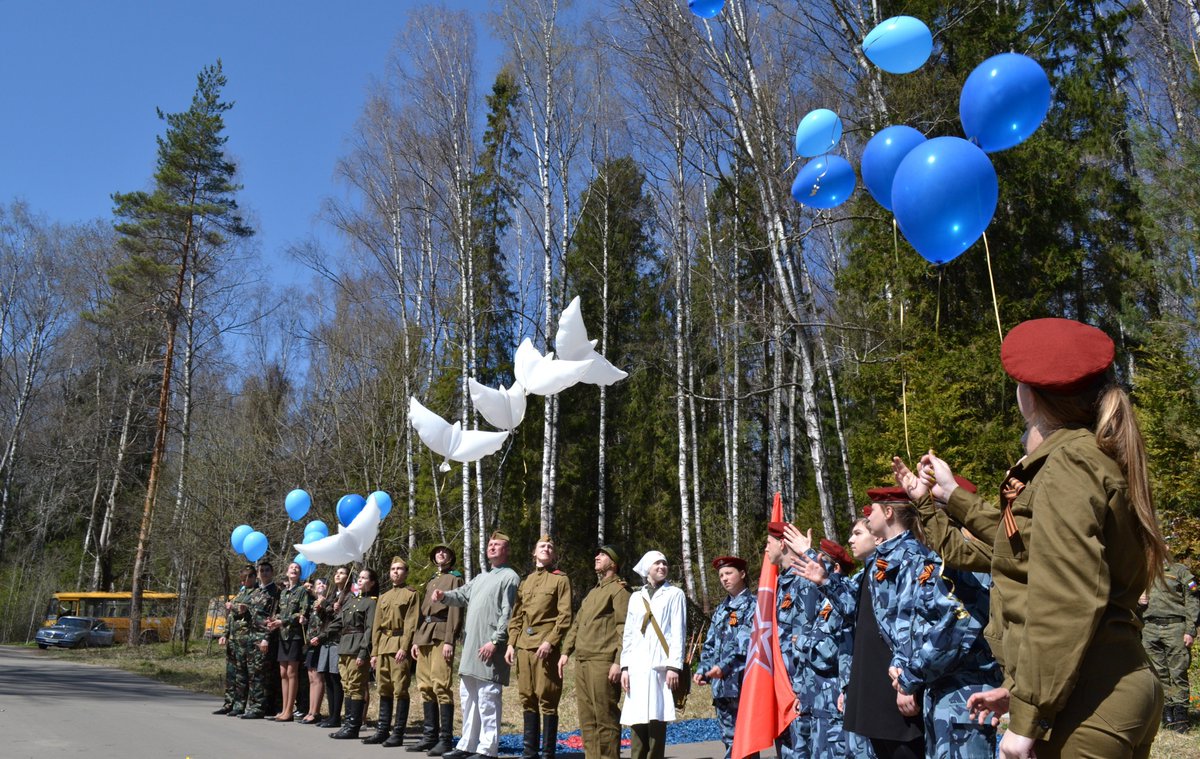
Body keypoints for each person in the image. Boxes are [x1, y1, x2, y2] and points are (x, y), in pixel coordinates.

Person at [922, 317, 1169, 759]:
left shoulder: (1067, 464)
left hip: (1090, 701)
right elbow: (1025, 548)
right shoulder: (1086, 455)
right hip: (1102, 688)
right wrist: (952, 497)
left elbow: (1065, 596)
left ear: (1029, 396)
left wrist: (1029, 715)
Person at [861, 486, 999, 759]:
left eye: (928, 510)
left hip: (967, 694)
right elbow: (912, 624)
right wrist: (903, 667)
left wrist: (911, 673)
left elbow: (958, 626)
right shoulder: (933, 558)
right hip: (941, 694)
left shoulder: (958, 559)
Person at [433, 532, 520, 759]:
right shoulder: (482, 577)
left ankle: (487, 749)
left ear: (506, 550)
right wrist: (444, 595)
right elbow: (461, 595)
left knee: (488, 699)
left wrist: (495, 641)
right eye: (490, 544)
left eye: (497, 545)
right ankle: (467, 745)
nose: (492, 547)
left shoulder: (510, 577)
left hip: (490, 647)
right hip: (471, 648)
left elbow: (508, 613)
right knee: (469, 698)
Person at [505, 535, 574, 759]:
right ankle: (529, 751)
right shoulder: (525, 582)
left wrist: (550, 641)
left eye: (550, 547)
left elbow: (564, 616)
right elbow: (516, 617)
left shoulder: (560, 580)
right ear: (534, 553)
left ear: (553, 555)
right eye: (542, 546)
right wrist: (511, 644)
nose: (546, 548)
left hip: (545, 647)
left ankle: (547, 753)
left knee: (547, 698)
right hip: (524, 647)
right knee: (527, 697)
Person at [559, 545, 630, 759]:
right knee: (587, 720)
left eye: (603, 555)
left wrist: (619, 661)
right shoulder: (593, 592)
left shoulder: (620, 590)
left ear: (614, 563)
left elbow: (625, 628)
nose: (597, 556)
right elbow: (577, 624)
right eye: (597, 553)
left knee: (605, 719)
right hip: (582, 662)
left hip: (603, 662)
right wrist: (565, 652)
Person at [619, 550, 687, 759]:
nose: (662, 567)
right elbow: (629, 634)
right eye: (657, 564)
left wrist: (673, 666)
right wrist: (625, 667)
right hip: (637, 666)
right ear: (647, 568)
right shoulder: (636, 597)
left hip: (660, 666)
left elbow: (678, 632)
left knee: (657, 717)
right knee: (638, 717)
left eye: (664, 564)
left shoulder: (675, 594)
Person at [766, 522, 822, 758]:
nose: (765, 550)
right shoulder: (777, 584)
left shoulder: (805, 578)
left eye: (768, 544)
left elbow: (811, 633)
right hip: (782, 683)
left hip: (801, 687)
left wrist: (798, 687)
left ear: (782, 543)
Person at [694, 555, 756, 759]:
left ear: (743, 574)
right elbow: (710, 644)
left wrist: (723, 667)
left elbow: (745, 645)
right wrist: (703, 669)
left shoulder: (753, 605)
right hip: (722, 689)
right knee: (729, 741)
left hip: (742, 685)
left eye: (729, 573)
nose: (724, 578)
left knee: (746, 743)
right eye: (721, 575)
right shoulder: (721, 609)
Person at [409, 544, 463, 755]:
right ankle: (430, 736)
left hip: (442, 632)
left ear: (450, 557)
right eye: (437, 552)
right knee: (425, 685)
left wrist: (450, 639)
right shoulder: (431, 580)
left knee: (441, 684)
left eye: (445, 552)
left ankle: (445, 738)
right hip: (425, 634)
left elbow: (455, 611)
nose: (441, 554)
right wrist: (415, 640)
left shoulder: (454, 579)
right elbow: (423, 614)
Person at [366, 556, 421, 746]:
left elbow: (411, 623)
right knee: (384, 688)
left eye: (399, 569)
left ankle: (397, 732)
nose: (395, 572)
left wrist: (404, 647)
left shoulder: (411, 594)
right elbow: (376, 626)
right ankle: (382, 730)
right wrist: (374, 652)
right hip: (383, 645)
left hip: (399, 643)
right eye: (392, 569)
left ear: (406, 573)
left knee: (400, 689)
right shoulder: (384, 596)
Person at [1141, 560, 1200, 731]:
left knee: (1178, 671)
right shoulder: (1142, 570)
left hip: (1175, 627)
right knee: (1158, 672)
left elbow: (1192, 599)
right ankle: (1167, 710)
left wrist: (1190, 630)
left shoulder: (1180, 571)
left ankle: (1181, 713)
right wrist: (1138, 600)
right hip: (1150, 627)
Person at [328, 567, 379, 740]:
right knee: (347, 686)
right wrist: (320, 636)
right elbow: (338, 623)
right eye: (360, 577)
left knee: (357, 687)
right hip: (344, 647)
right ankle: (347, 724)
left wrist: (363, 652)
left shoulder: (371, 602)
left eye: (365, 578)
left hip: (357, 648)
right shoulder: (351, 601)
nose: (360, 580)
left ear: (372, 583)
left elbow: (369, 629)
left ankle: (353, 726)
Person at [270, 561, 312, 721]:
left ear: (300, 574)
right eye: (291, 568)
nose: (294, 569)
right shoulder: (283, 593)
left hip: (295, 636)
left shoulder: (302, 591)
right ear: (287, 573)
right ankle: (284, 709)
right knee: (282, 673)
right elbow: (279, 612)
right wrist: (275, 621)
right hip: (283, 635)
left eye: (297, 568)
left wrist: (284, 621)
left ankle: (289, 710)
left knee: (291, 672)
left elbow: (302, 612)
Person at [312, 566, 352, 728]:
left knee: (336, 678)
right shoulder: (331, 595)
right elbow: (325, 619)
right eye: (336, 572)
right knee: (327, 677)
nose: (338, 575)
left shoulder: (349, 596)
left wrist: (335, 608)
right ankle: (330, 715)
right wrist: (320, 608)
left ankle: (336, 716)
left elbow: (342, 619)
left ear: (348, 577)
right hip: (326, 640)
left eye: (342, 573)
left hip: (337, 640)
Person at [241, 560, 281, 720]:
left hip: (265, 638)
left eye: (267, 570)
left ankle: (259, 707)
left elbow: (273, 617)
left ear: (272, 573)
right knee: (253, 673)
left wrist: (266, 638)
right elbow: (252, 616)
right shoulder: (256, 592)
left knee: (261, 674)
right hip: (252, 637)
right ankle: (256, 705)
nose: (264, 573)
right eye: (261, 571)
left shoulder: (276, 592)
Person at [214, 564, 256, 716]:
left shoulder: (256, 593)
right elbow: (231, 617)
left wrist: (233, 606)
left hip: (245, 639)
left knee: (241, 674)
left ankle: (239, 705)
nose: (242, 582)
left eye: (245, 579)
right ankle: (229, 703)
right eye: (241, 580)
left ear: (252, 578)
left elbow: (244, 609)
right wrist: (224, 634)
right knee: (231, 674)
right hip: (233, 638)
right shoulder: (241, 592)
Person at [300, 576, 329, 724]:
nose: (320, 585)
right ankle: (310, 710)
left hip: (321, 642)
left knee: (318, 678)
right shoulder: (311, 604)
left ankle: (316, 712)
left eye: (323, 583)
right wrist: (304, 621)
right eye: (318, 583)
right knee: (311, 677)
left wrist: (323, 606)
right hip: (310, 643)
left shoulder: (328, 602)